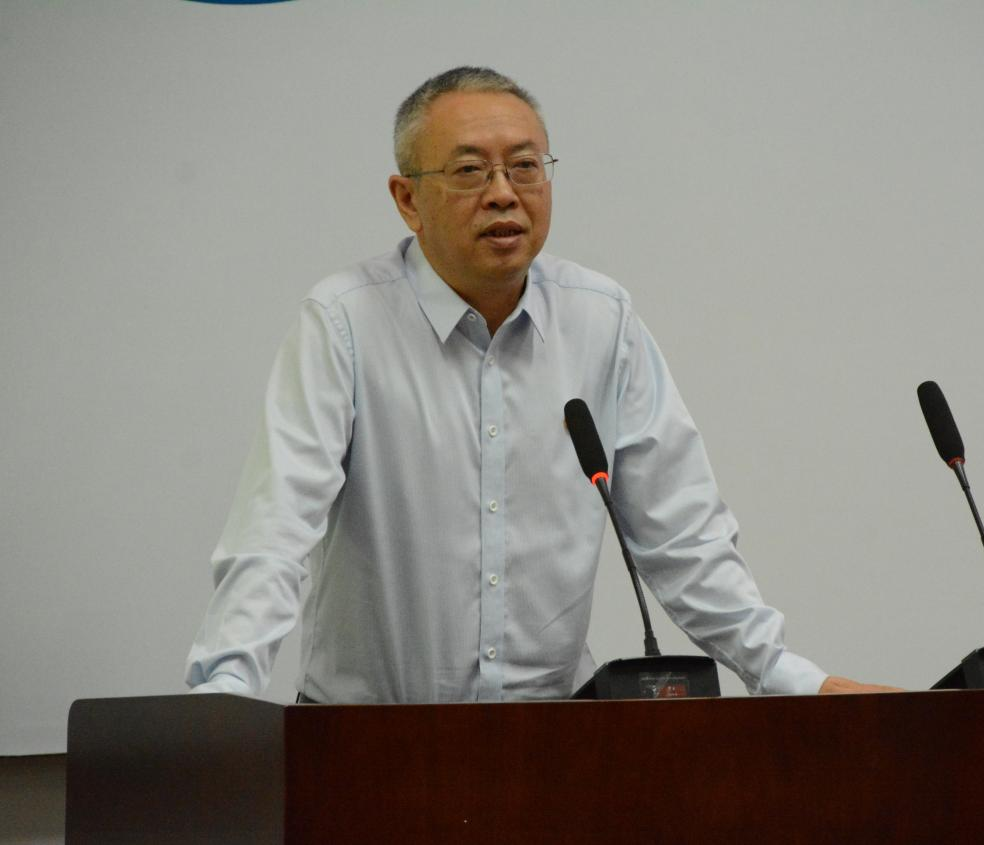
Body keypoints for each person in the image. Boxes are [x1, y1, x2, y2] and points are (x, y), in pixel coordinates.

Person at [186, 67, 897, 703]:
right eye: (470, 171)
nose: (503, 194)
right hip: (369, 744)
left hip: (553, 750)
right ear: (408, 199)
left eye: (525, 167)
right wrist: (224, 693)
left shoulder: (601, 320)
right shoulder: (345, 322)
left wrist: (783, 673)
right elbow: (275, 527)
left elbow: (683, 536)